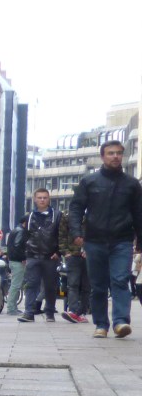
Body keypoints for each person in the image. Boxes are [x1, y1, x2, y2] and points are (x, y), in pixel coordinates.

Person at [67, 139, 142, 339]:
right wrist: (76, 233)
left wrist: (140, 241)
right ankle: (101, 324)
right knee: (98, 285)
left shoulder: (132, 184)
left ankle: (120, 322)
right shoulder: (89, 182)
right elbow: (75, 208)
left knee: (120, 280)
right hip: (94, 240)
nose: (115, 156)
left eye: (118, 153)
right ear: (103, 156)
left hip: (122, 240)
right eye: (111, 153)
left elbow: (139, 213)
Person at [17, 188, 62, 323]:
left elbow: (62, 235)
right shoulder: (29, 217)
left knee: (50, 286)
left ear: (49, 199)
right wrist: (24, 256)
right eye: (40, 197)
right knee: (31, 284)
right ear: (35, 199)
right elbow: (24, 237)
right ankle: (29, 313)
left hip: (50, 257)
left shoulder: (57, 215)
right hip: (33, 256)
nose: (42, 200)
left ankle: (49, 312)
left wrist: (58, 253)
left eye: (45, 197)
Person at [58, 211, 89, 322]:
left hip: (89, 255)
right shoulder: (67, 215)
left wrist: (89, 250)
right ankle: (73, 311)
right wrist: (66, 252)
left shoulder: (95, 212)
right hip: (73, 255)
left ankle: (82, 312)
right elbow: (61, 235)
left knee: (87, 286)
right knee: (73, 284)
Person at [3, 224, 27, 315]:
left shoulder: (15, 230)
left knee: (15, 285)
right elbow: (18, 246)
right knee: (16, 285)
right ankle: (11, 308)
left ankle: (13, 307)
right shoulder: (20, 231)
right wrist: (23, 257)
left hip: (13, 260)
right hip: (17, 261)